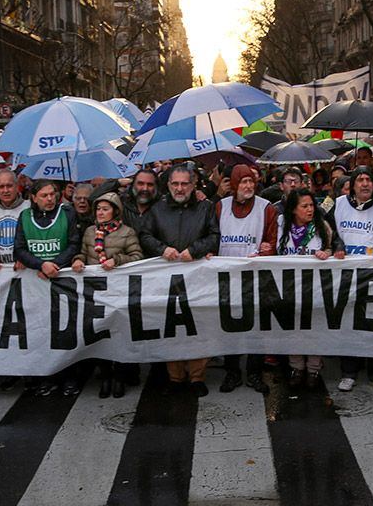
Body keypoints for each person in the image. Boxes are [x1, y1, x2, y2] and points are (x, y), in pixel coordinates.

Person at [139, 163, 220, 397]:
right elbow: (144, 235)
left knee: (199, 325)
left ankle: (197, 377)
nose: (180, 188)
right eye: (175, 183)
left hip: (198, 279)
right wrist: (162, 249)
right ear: (168, 185)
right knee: (170, 326)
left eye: (185, 183)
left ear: (194, 185)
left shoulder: (206, 207)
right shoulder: (157, 208)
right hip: (166, 279)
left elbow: (214, 236)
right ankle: (175, 376)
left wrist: (194, 250)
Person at [71, 192, 143, 398]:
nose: (100, 213)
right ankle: (106, 376)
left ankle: (120, 375)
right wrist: (77, 260)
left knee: (119, 333)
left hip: (119, 291)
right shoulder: (89, 232)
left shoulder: (127, 232)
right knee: (100, 334)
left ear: (115, 211)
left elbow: (137, 256)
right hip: (96, 292)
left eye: (105, 209)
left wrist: (117, 259)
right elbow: (83, 253)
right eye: (98, 209)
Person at [14, 180, 82, 395]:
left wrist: (56, 264)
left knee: (65, 330)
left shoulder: (67, 213)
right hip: (36, 282)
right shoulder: (25, 217)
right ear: (34, 197)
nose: (50, 199)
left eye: (52, 194)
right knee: (40, 332)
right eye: (44, 195)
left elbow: (74, 244)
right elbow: (19, 249)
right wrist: (40, 264)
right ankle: (46, 376)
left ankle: (69, 376)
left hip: (61, 280)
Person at [215, 164, 278, 393]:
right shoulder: (220, 207)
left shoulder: (267, 208)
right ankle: (232, 371)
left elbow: (273, 242)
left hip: (256, 279)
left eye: (251, 181)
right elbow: (213, 237)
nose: (249, 186)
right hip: (227, 278)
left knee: (257, 326)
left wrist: (267, 251)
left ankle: (254, 372)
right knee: (229, 325)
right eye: (243, 182)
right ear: (234, 184)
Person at [332, 166, 373, 393]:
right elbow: (327, 229)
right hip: (346, 274)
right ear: (353, 184)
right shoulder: (337, 204)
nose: (365, 184)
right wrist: (337, 245)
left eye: (369, 180)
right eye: (361, 180)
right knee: (348, 323)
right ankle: (349, 372)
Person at [277, 187, 343, 389]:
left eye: (311, 205)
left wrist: (328, 252)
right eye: (304, 206)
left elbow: (333, 246)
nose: (310, 210)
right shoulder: (281, 225)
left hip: (315, 288)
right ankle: (296, 367)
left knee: (314, 327)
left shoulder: (322, 226)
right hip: (289, 288)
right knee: (293, 329)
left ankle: (313, 368)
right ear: (293, 210)